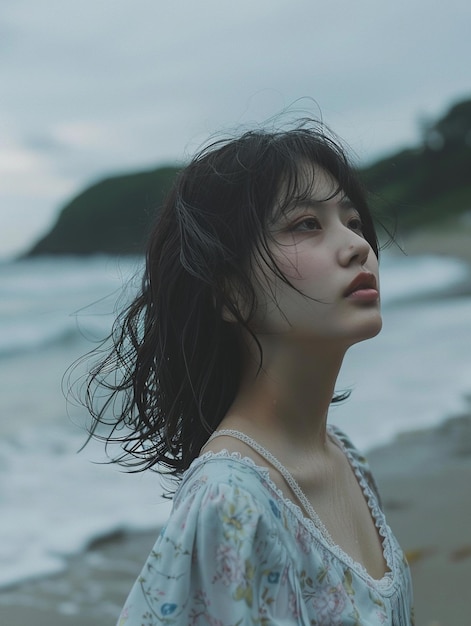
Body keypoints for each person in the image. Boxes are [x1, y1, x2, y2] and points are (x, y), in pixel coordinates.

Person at [84, 120, 414, 624]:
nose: (356, 246)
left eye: (351, 220)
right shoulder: (229, 503)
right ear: (230, 293)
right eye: (305, 224)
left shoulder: (347, 460)